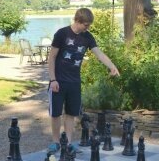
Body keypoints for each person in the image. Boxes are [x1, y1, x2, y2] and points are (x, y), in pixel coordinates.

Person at [48, 8, 120, 152]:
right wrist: (52, 79)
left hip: (74, 82)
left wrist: (112, 66)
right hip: (58, 81)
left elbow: (99, 53)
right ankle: (56, 142)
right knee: (56, 113)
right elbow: (52, 57)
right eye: (86, 25)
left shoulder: (87, 37)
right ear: (78, 21)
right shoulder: (62, 33)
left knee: (71, 113)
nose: (88, 28)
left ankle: (68, 143)